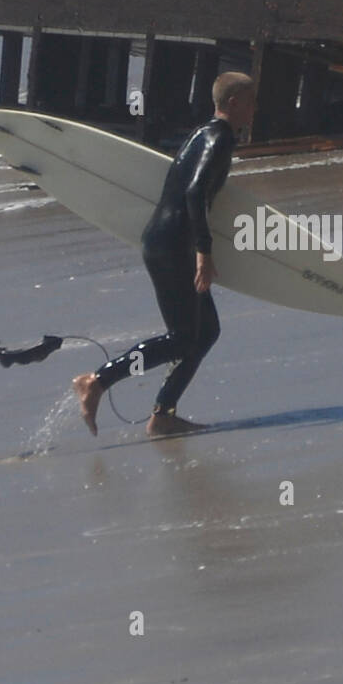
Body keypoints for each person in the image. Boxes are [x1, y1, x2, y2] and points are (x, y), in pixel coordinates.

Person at [73, 71, 256, 437]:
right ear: (234, 103)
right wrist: (204, 252)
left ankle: (164, 415)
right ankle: (97, 381)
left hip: (169, 242)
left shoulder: (203, 134)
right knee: (182, 337)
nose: (256, 108)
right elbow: (194, 193)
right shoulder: (218, 138)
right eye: (252, 101)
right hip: (173, 245)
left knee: (205, 333)